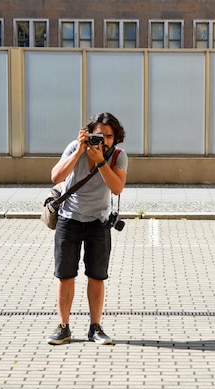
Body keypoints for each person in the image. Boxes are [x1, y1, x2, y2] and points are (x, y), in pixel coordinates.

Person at [47, 112, 128, 346]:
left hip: (98, 223)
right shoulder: (75, 147)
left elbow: (117, 188)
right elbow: (56, 176)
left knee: (97, 276)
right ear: (89, 133)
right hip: (69, 219)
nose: (103, 140)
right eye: (98, 135)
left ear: (116, 138)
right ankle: (63, 327)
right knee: (65, 275)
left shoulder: (118, 156)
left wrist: (101, 160)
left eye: (109, 136)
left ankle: (95, 327)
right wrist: (80, 151)